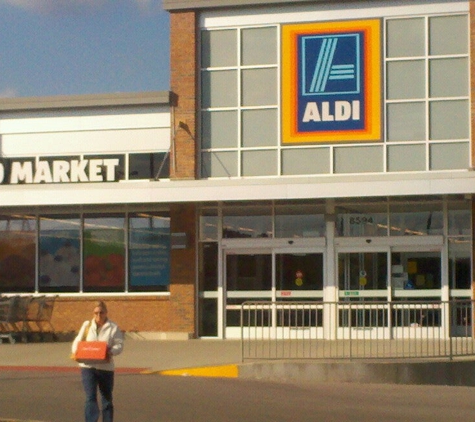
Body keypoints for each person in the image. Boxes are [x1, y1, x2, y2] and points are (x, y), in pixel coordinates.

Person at [72, 301, 124, 422]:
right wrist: (76, 352)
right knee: (90, 397)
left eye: (101, 313)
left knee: (106, 399)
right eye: (96, 313)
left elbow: (119, 345)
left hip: (105, 368)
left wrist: (110, 351)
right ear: (93, 313)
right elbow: (78, 341)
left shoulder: (113, 327)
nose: (98, 315)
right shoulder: (86, 325)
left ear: (106, 313)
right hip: (88, 367)